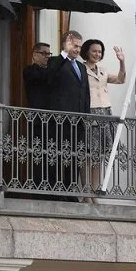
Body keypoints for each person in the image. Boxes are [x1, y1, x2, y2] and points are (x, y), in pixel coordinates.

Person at [45, 30, 90, 198]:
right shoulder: (56, 62)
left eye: (79, 46)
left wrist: (86, 117)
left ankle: (70, 190)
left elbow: (85, 94)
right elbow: (49, 77)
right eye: (74, 46)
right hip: (60, 120)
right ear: (65, 43)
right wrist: (64, 53)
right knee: (58, 155)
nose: (77, 50)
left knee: (75, 156)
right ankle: (57, 192)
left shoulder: (81, 67)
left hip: (78, 121)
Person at [80, 39, 125, 200]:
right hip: (90, 111)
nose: (97, 54)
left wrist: (122, 61)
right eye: (94, 51)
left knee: (99, 156)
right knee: (87, 155)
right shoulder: (81, 68)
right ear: (86, 52)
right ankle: (86, 192)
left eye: (99, 51)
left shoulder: (103, 70)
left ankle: (94, 191)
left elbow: (120, 79)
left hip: (105, 112)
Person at [23, 42, 51, 110]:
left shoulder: (50, 70)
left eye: (48, 54)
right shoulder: (29, 70)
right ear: (34, 55)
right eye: (44, 53)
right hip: (36, 112)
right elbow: (40, 76)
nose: (47, 56)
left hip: (52, 113)